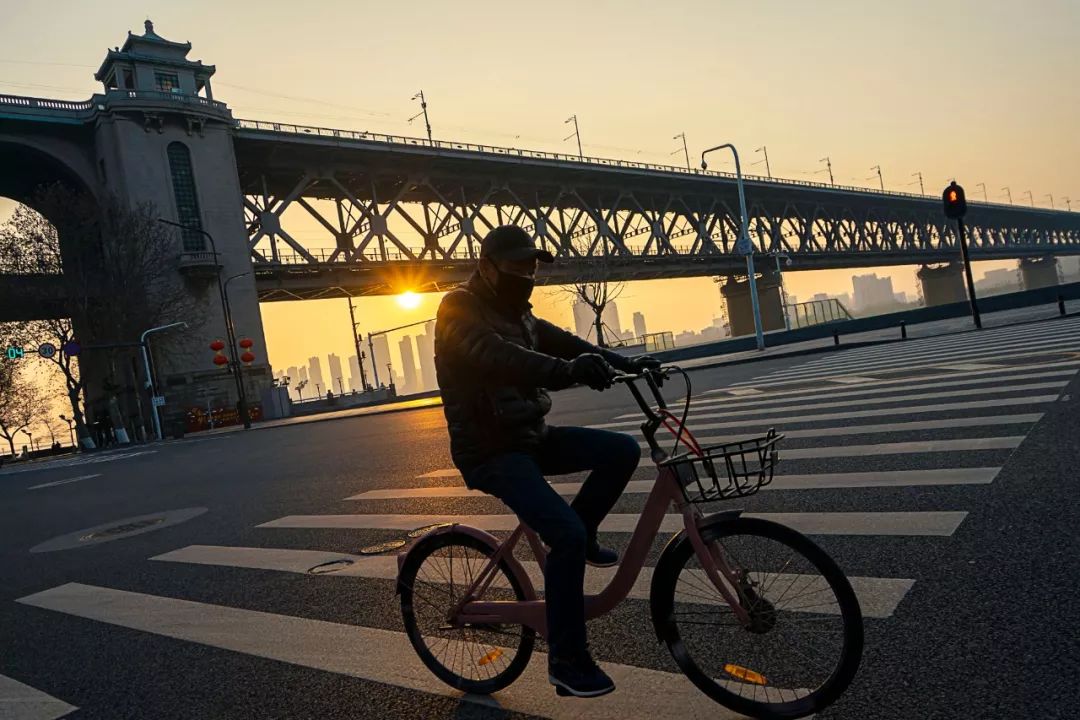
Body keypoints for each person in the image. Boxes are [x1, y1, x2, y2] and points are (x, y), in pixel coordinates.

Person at [434, 224, 660, 699]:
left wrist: (623, 362)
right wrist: (566, 373)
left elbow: (567, 344)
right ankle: (566, 660)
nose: (526, 274)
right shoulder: (458, 308)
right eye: (517, 266)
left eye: (532, 267)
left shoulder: (521, 313)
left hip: (532, 437)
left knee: (621, 450)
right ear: (487, 266)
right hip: (491, 451)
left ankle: (585, 532)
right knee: (565, 534)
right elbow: (498, 358)